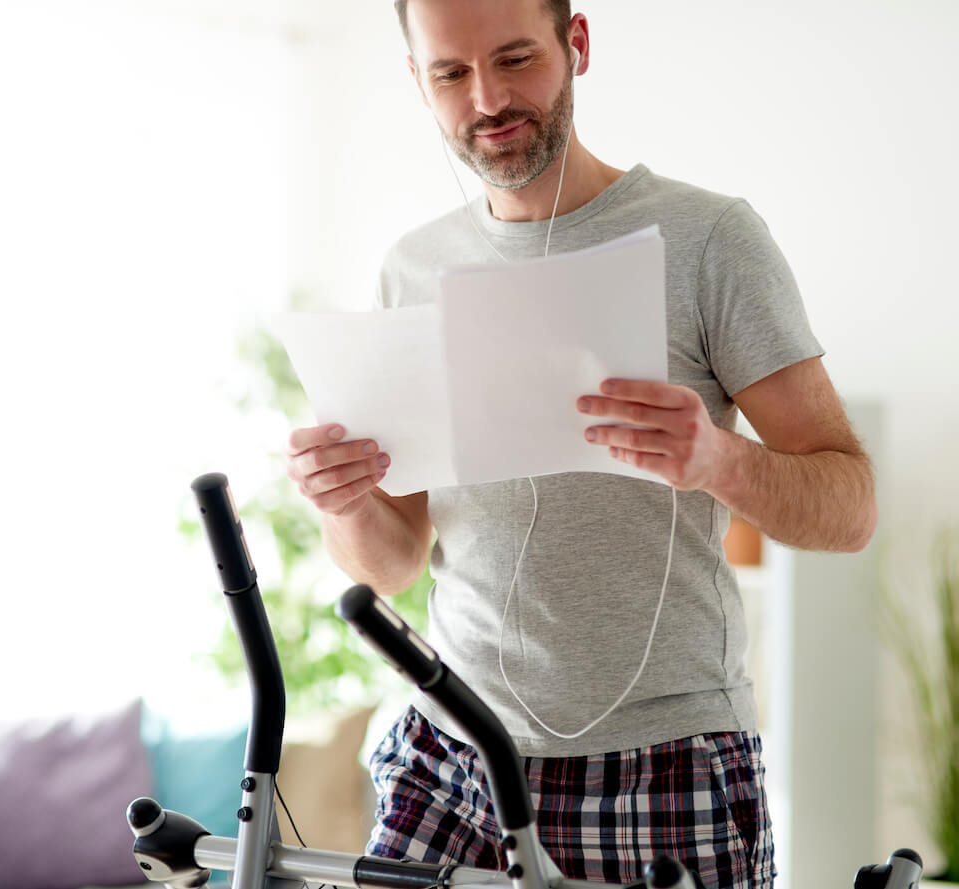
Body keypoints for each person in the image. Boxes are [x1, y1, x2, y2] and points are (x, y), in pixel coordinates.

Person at [285, 1, 877, 888]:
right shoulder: (410, 269)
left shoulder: (711, 240)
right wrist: (346, 500)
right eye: (451, 73)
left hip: (667, 756)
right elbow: (392, 560)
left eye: (516, 58)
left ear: (578, 46)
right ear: (419, 81)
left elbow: (852, 507)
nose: (487, 98)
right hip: (452, 747)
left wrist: (719, 459)